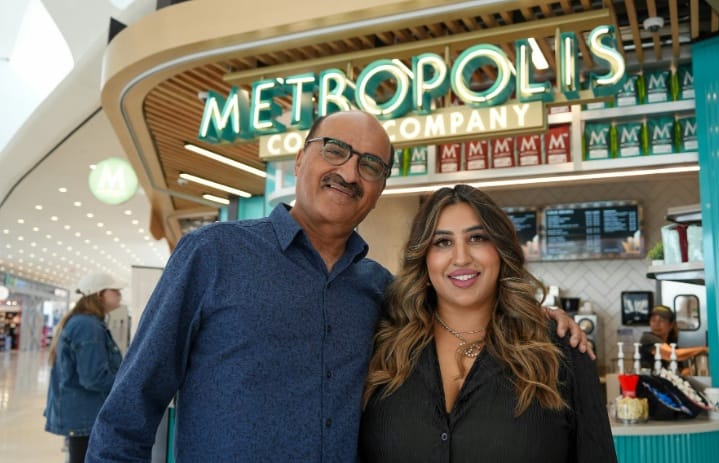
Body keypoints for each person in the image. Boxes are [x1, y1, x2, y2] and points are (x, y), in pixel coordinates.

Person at [86, 111, 589, 462]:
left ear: (379, 189)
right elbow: (130, 409)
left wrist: (537, 317)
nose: (349, 172)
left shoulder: (381, 293)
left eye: (370, 165)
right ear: (301, 159)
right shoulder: (213, 254)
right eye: (336, 151)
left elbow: (461, 310)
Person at [360, 184, 616, 462]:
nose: (461, 258)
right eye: (442, 242)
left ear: (500, 250)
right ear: (424, 258)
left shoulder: (560, 351)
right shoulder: (382, 348)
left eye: (477, 238)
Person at [44, 271, 125, 463]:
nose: (119, 294)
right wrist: (126, 383)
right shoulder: (87, 326)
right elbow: (93, 377)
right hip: (84, 414)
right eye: (115, 290)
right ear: (99, 294)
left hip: (83, 413)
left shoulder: (86, 323)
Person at [639, 304, 708, 375]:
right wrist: (703, 349)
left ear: (671, 325)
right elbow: (672, 355)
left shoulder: (671, 345)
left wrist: (697, 368)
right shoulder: (647, 338)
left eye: (661, 320)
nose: (656, 324)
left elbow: (680, 372)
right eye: (653, 320)